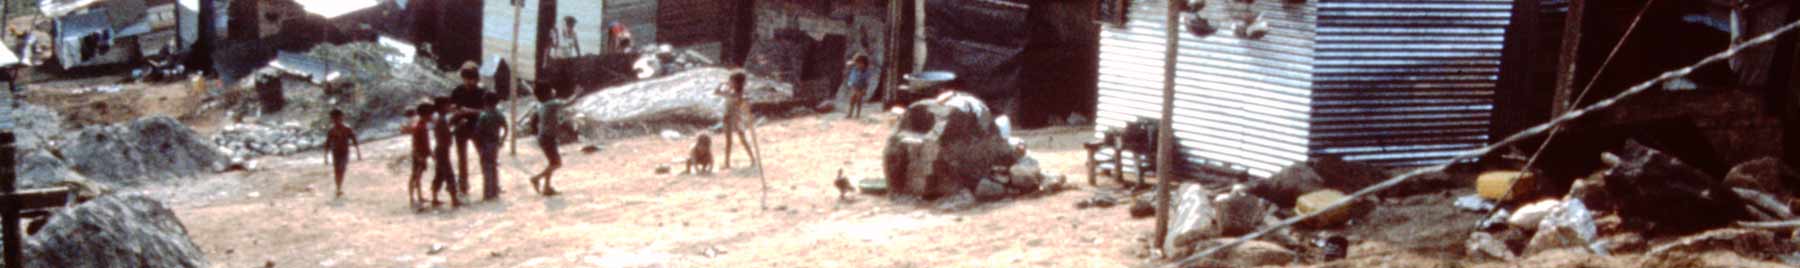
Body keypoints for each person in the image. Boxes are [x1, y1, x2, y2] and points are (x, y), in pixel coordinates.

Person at [449, 62, 486, 196]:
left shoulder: (482, 92)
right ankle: (463, 185)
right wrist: (455, 111)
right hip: (461, 128)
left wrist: (468, 111)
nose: (469, 82)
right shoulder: (457, 90)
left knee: (483, 155)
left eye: (472, 79)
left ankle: (489, 182)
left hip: (477, 128)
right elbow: (451, 107)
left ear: (476, 79)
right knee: (461, 158)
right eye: (466, 79)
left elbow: (486, 111)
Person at [715, 71, 758, 169]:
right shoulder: (731, 93)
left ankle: (752, 158)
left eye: (731, 81)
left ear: (736, 83)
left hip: (736, 119)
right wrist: (722, 84)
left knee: (742, 140)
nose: (729, 82)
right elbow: (716, 92)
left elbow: (741, 102)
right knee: (728, 141)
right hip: (728, 119)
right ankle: (727, 162)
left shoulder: (737, 94)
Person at [528, 86, 566, 195]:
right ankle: (536, 178)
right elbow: (568, 103)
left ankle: (547, 187)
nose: (554, 91)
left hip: (545, 137)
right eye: (551, 90)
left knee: (551, 163)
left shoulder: (542, 105)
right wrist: (577, 94)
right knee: (557, 163)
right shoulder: (551, 104)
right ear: (547, 94)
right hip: (547, 137)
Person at [475, 92, 509, 200]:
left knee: (486, 168)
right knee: (493, 166)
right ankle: (494, 190)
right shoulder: (499, 114)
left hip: (485, 143)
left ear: (485, 102)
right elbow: (506, 128)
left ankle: (488, 193)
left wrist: (478, 144)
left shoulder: (483, 116)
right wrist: (502, 139)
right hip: (495, 143)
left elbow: (478, 132)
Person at [431, 97, 462, 207]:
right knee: (449, 175)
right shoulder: (441, 120)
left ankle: (434, 198)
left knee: (439, 175)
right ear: (442, 107)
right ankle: (454, 200)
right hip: (443, 151)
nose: (449, 107)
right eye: (448, 105)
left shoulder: (439, 119)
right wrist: (458, 127)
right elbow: (447, 135)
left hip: (440, 150)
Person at [324, 110, 363, 197]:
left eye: (338, 118)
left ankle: (339, 188)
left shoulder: (347, 129)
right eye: (334, 119)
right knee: (337, 171)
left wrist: (358, 153)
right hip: (336, 153)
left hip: (344, 152)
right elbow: (327, 144)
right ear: (332, 120)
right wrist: (325, 157)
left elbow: (354, 141)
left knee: (341, 169)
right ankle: (338, 188)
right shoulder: (331, 131)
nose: (336, 121)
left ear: (342, 118)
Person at [403, 104, 434, 206]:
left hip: (421, 154)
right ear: (426, 115)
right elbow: (417, 144)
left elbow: (425, 143)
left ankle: (418, 196)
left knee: (418, 176)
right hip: (419, 154)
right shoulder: (420, 127)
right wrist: (420, 156)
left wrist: (429, 153)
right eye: (430, 115)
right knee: (415, 176)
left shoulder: (421, 125)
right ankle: (412, 198)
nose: (432, 117)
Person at [843, 53, 873, 118]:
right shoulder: (854, 69)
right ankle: (849, 114)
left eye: (860, 63)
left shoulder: (866, 72)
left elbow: (866, 81)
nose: (858, 65)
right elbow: (848, 64)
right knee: (852, 100)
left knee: (859, 100)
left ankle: (857, 114)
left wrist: (865, 89)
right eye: (857, 63)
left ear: (864, 64)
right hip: (854, 86)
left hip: (861, 87)